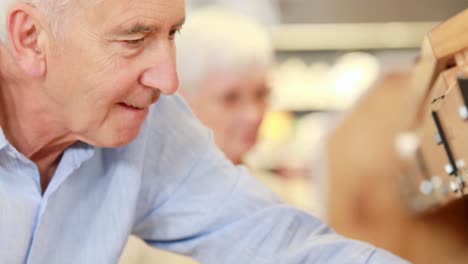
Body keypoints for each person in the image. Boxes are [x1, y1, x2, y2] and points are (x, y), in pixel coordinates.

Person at [0, 0, 409, 263]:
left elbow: (279, 242)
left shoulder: (150, 125)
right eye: (134, 38)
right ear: (31, 38)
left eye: (172, 34)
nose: (170, 80)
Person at [177, 7, 272, 165]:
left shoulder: (265, 186)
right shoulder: (159, 188)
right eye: (231, 98)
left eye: (260, 94)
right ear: (182, 101)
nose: (253, 115)